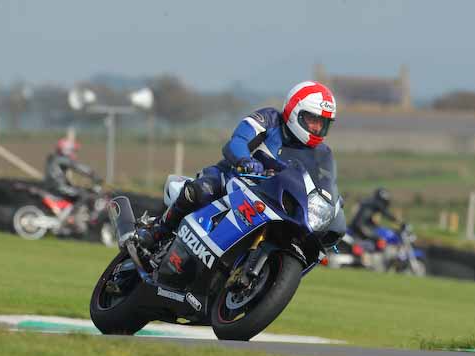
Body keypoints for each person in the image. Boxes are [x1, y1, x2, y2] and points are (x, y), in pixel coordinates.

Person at [139, 80, 339, 249]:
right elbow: (238, 141)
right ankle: (158, 232)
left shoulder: (322, 154)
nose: (317, 127)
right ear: (295, 111)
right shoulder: (269, 119)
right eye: (312, 119)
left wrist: (334, 205)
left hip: (275, 202)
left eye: (323, 123)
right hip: (234, 178)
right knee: (199, 191)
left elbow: (326, 184)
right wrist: (245, 160)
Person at [44, 137, 102, 231]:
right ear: (66, 150)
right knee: (84, 195)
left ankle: (70, 216)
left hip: (55, 186)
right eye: (73, 151)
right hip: (58, 187)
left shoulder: (55, 158)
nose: (74, 153)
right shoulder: (60, 159)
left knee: (80, 191)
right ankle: (71, 218)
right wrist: (92, 174)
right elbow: (76, 167)